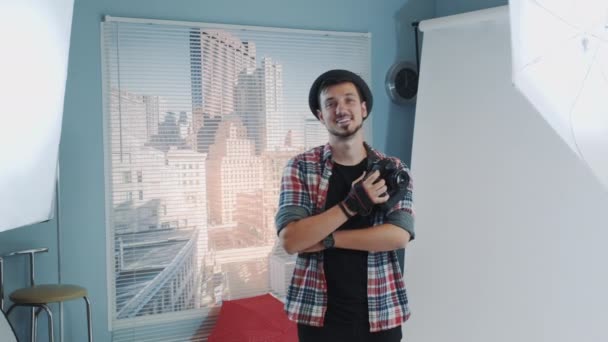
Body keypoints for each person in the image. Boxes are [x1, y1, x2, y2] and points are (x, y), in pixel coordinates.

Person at [275, 69, 415, 342]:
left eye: (349, 100)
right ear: (320, 115)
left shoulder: (393, 169)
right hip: (319, 317)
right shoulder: (301, 167)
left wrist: (327, 240)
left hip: (381, 312)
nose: (341, 109)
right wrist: (351, 205)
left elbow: (397, 236)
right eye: (330, 103)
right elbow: (292, 240)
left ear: (363, 109)